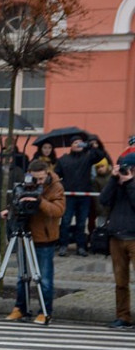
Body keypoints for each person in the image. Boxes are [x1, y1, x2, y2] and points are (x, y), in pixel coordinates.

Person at [3, 159, 65, 325]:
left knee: (44, 278)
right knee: (21, 276)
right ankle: (20, 308)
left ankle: (45, 311)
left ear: (47, 174)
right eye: (34, 178)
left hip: (44, 238)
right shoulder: (26, 183)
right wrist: (10, 211)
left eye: (40, 179)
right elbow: (19, 201)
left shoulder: (56, 186)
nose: (37, 182)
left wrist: (40, 201)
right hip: (24, 233)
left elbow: (58, 211)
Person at [98, 153, 135, 329]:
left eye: (128, 168)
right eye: (121, 168)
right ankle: (123, 316)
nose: (125, 171)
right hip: (116, 237)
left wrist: (129, 183)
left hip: (134, 237)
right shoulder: (116, 184)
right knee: (120, 282)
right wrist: (113, 180)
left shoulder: (131, 185)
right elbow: (103, 200)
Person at [56, 136, 107, 256]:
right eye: (75, 142)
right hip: (69, 195)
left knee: (81, 222)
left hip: (84, 195)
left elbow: (101, 155)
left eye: (80, 142)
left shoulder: (88, 157)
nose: (78, 145)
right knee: (66, 221)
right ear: (71, 145)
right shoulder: (63, 159)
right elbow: (56, 174)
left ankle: (81, 246)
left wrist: (92, 146)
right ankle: (63, 245)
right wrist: (64, 184)